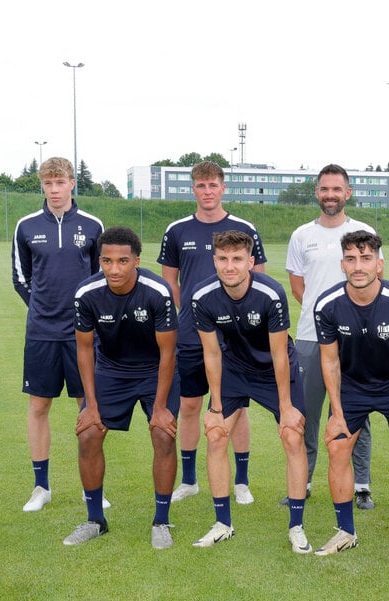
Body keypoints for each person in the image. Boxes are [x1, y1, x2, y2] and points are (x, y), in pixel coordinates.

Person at [191, 230, 311, 553]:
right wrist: (215, 406)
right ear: (214, 260)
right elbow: (212, 353)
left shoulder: (270, 293)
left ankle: (296, 526)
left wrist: (286, 406)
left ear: (250, 261)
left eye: (237, 259)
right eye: (223, 259)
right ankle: (222, 524)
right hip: (233, 369)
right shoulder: (202, 297)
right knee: (216, 435)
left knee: (292, 435)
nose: (230, 266)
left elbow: (278, 354)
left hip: (274, 371)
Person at [62, 226, 180, 549]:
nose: (114, 269)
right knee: (88, 434)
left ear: (137, 261)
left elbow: (169, 352)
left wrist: (159, 408)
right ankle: (95, 520)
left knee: (162, 433)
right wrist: (90, 404)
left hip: (155, 369)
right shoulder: (86, 293)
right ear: (99, 260)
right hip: (112, 369)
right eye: (107, 261)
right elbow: (84, 350)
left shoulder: (158, 291)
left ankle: (161, 520)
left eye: (123, 261)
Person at [157, 161, 266, 506]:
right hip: (190, 333)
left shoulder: (244, 228)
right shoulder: (177, 231)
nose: (207, 191)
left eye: (213, 185)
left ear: (223, 188)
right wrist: (187, 314)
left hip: (235, 336)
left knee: (236, 408)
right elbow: (169, 282)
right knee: (189, 406)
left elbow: (257, 279)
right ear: (194, 188)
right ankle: (189, 481)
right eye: (201, 185)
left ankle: (242, 481)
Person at [312, 231, 389, 563]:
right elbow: (330, 360)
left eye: (365, 259)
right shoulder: (328, 304)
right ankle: (346, 532)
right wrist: (336, 412)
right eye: (351, 259)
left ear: (379, 263)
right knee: (337, 447)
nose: (358, 266)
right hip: (352, 386)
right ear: (342, 264)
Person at [11, 156, 106, 512]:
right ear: (43, 186)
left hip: (83, 335)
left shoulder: (93, 225)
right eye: (48, 184)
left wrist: (89, 317)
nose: (54, 190)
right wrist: (41, 308)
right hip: (42, 333)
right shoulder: (26, 226)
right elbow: (20, 278)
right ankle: (41, 487)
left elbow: (103, 277)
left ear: (71, 184)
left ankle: (91, 488)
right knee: (39, 405)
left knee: (88, 407)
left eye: (60, 182)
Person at [285, 164, 377, 510]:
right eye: (324, 189)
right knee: (306, 413)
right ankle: (304, 482)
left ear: (347, 193)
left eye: (337, 189)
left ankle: (362, 486)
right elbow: (299, 285)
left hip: (355, 339)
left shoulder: (363, 231)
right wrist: (323, 314)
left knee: (357, 412)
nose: (330, 195)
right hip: (311, 337)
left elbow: (368, 278)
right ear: (317, 193)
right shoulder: (301, 236)